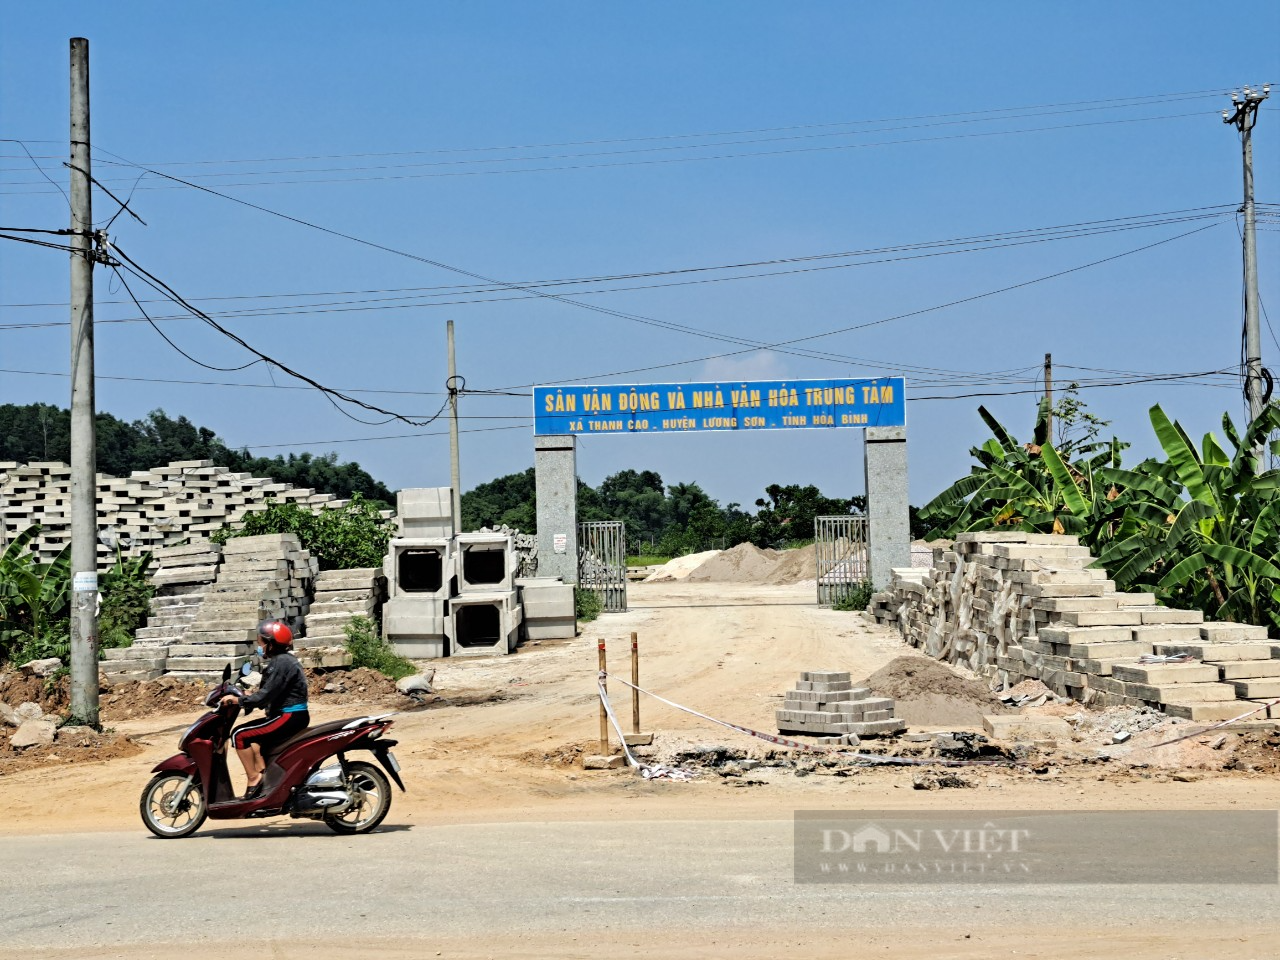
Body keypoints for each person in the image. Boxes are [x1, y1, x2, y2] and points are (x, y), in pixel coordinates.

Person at [221, 620, 309, 800]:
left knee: (240, 734)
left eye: (261, 642)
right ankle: (267, 780)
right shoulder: (284, 660)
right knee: (254, 742)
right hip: (290, 714)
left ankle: (254, 778)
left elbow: (264, 696)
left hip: (289, 715)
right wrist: (247, 695)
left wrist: (238, 700)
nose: (259, 646)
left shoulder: (281, 663)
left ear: (271, 644)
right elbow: (269, 692)